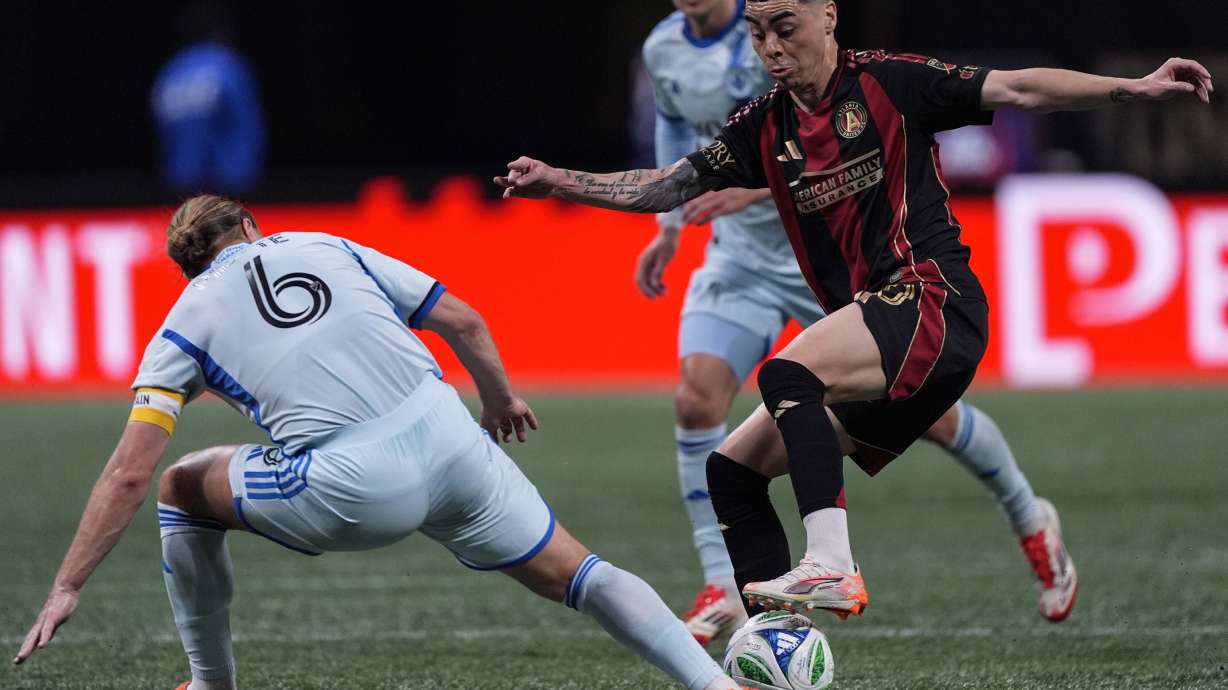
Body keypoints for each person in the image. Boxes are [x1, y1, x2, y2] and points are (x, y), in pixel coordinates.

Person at [495, 0, 1212, 623]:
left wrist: (1137, 88)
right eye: (757, 34)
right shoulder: (762, 125)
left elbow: (1021, 87)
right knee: (732, 471)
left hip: (934, 300)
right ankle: (774, 643)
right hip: (872, 322)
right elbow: (665, 185)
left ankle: (836, 559)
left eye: (785, 27)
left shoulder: (890, 83)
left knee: (788, 375)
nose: (772, 48)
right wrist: (558, 180)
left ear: (827, 15)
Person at [12, 195, 747, 690]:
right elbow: (460, 317)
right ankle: (714, 685)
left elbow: (130, 476)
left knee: (180, 488)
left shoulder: (182, 321)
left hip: (351, 484)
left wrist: (69, 584)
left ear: (189, 265)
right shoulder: (328, 244)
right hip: (451, 435)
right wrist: (500, 399)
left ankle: (211, 683)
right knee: (579, 572)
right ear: (250, 230)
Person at [639, 0, 1078, 643]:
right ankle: (722, 584)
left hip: (836, 254)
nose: (772, 43)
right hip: (740, 259)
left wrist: (758, 186)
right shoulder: (664, 50)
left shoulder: (777, 30)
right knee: (697, 400)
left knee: (932, 416)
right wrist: (669, 226)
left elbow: (832, 134)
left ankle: (1029, 515)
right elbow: (679, 138)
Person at [151, 2, 265, 194]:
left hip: (179, 197)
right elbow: (249, 125)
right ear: (222, 33)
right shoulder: (228, 65)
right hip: (229, 193)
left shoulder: (169, 73)